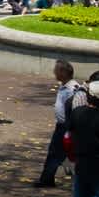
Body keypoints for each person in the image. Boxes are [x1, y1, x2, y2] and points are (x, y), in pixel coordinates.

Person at [35, 60, 82, 188]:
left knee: (57, 153)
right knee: (55, 153)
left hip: (67, 126)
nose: (54, 73)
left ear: (63, 72)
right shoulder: (64, 86)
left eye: (56, 70)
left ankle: (47, 179)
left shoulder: (72, 89)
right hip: (61, 125)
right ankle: (47, 178)